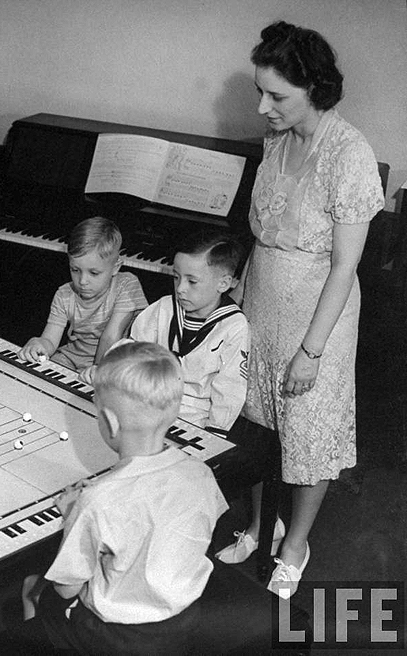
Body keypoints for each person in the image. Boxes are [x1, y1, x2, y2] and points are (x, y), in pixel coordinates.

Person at [215, 21, 385, 599]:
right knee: (258, 426)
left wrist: (311, 351)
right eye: (260, 92)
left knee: (308, 435)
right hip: (261, 301)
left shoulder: (350, 153)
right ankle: (263, 526)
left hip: (319, 318)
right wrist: (236, 296)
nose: (262, 106)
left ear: (314, 87)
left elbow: (345, 266)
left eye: (276, 96)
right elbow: (260, 234)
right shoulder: (276, 140)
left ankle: (295, 545)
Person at [19, 342, 227, 654]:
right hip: (185, 619)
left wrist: (71, 516)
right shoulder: (202, 474)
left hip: (115, 639)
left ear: (110, 423)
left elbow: (66, 588)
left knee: (32, 589)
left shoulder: (96, 501)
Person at [126, 230, 249, 435]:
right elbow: (132, 349)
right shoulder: (164, 308)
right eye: (176, 277)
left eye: (192, 281)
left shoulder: (234, 326)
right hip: (149, 402)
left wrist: (214, 433)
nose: (180, 288)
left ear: (224, 283)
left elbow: (230, 389)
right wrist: (108, 371)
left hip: (194, 419)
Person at [18, 217, 148, 373]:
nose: (82, 281)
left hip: (111, 361)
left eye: (94, 273)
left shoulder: (126, 285)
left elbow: (111, 336)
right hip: (69, 358)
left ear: (115, 267)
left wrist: (97, 370)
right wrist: (38, 343)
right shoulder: (64, 294)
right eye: (75, 270)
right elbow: (50, 340)